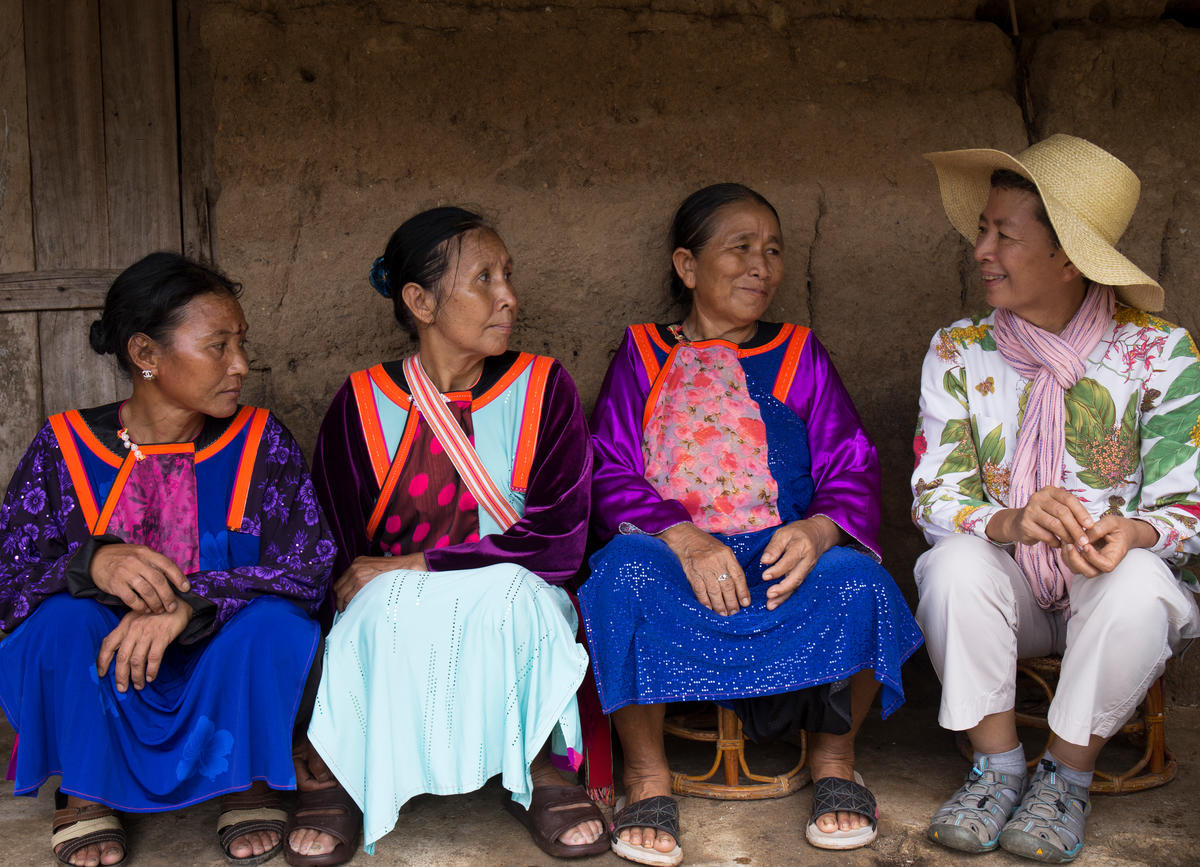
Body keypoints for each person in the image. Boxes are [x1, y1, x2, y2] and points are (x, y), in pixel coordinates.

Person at [581, 183, 924, 865]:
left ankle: (834, 760)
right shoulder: (643, 354)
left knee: (860, 581)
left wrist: (822, 531)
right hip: (680, 566)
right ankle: (647, 778)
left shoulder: (801, 353)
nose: (760, 266)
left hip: (781, 571)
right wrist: (684, 537)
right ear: (687, 265)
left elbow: (850, 462)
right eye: (739, 249)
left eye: (772, 251)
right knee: (618, 576)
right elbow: (608, 467)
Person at [284, 207, 606, 865]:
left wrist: (415, 562)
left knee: (519, 596)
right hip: (394, 604)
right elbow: (339, 558)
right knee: (369, 607)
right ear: (420, 300)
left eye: (508, 275)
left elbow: (560, 539)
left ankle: (546, 767)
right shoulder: (362, 403)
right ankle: (344, 767)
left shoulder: (544, 388)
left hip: (514, 591)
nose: (509, 296)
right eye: (483, 278)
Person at [913, 134, 1200, 863]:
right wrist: (1007, 518)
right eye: (983, 228)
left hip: (1103, 592)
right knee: (952, 567)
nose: (981, 249)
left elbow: (1188, 506)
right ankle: (998, 767)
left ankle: (1066, 776)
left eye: (1003, 235)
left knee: (1140, 584)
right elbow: (933, 495)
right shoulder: (959, 351)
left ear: (1069, 256)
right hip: (1012, 589)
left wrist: (1128, 532)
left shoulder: (1160, 354)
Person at [0, 252, 335, 866]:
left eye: (242, 343)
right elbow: (8, 572)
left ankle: (248, 775)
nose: (240, 365)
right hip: (111, 661)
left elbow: (310, 566)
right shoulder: (63, 445)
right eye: (217, 346)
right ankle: (85, 787)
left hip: (220, 658)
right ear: (146, 355)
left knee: (276, 625)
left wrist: (191, 604)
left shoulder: (263, 442)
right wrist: (90, 565)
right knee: (58, 623)